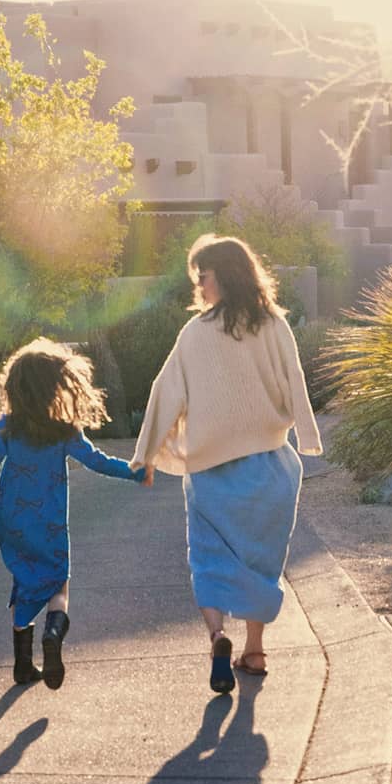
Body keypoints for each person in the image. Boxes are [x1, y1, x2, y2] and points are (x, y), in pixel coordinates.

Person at [132, 234, 322, 694]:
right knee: (261, 560)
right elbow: (295, 380)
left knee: (209, 558)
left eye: (204, 276)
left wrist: (145, 455)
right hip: (271, 466)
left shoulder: (195, 334)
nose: (199, 286)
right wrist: (308, 437)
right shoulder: (275, 325)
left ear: (226, 274)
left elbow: (166, 390)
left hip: (211, 471)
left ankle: (218, 636)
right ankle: (254, 650)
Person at [0, 338, 149, 689]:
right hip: (49, 523)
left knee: (23, 582)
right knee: (58, 587)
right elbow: (98, 462)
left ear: (14, 386)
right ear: (55, 388)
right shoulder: (63, 430)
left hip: (13, 525)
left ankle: (22, 666)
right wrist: (135, 471)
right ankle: (52, 633)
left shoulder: (1, 429)